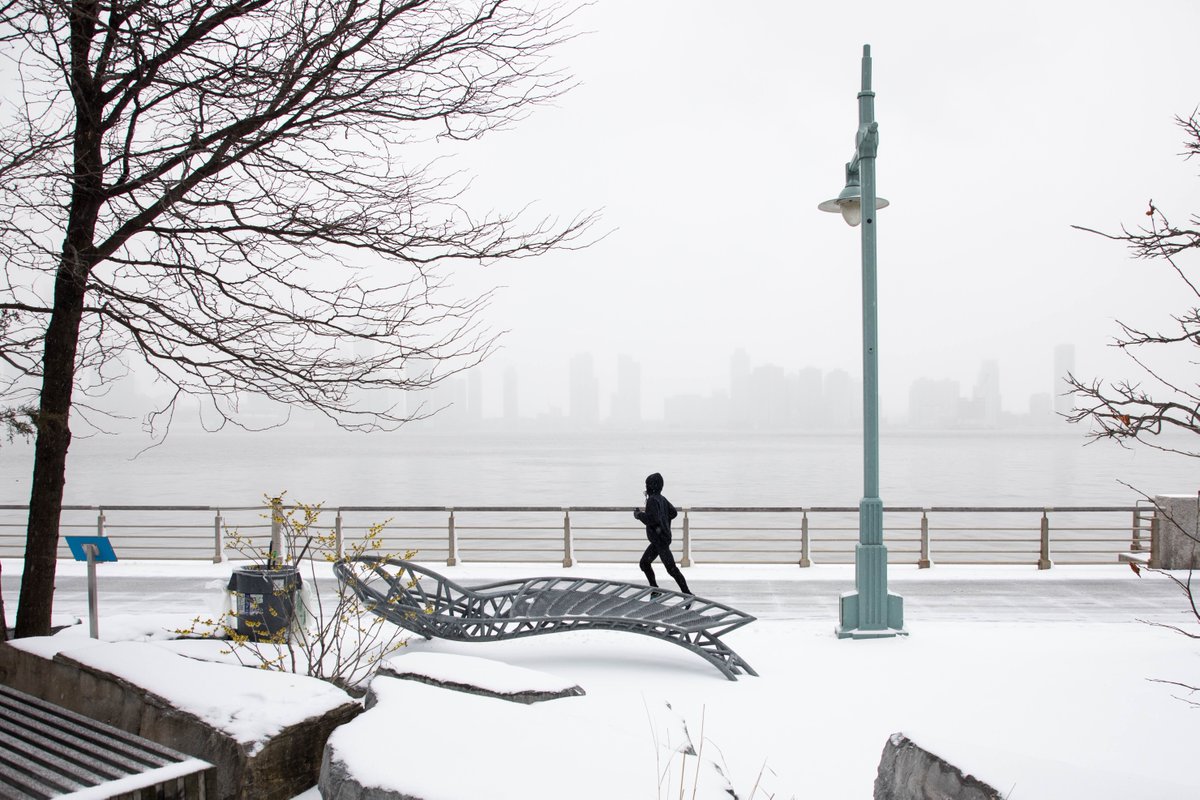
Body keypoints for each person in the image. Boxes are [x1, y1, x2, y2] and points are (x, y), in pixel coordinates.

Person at [633, 472, 691, 595]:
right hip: (659, 540)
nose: (646, 488)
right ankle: (655, 589)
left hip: (660, 541)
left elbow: (652, 519)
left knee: (671, 569)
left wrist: (639, 515)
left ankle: (687, 593)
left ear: (651, 486)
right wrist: (664, 521)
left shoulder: (652, 500)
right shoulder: (662, 498)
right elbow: (673, 513)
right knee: (645, 563)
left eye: (647, 485)